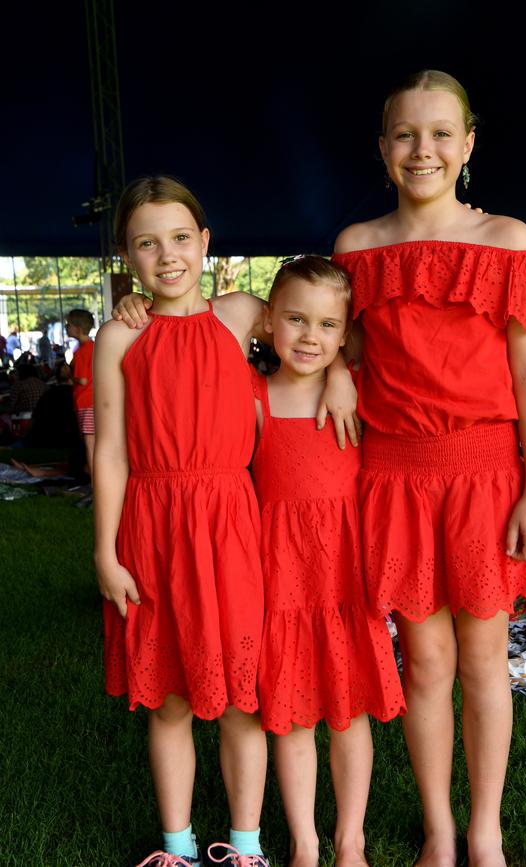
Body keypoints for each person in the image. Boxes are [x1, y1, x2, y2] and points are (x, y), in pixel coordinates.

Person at [331, 71, 526, 867]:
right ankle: (436, 828)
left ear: (467, 145)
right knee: (423, 658)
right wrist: (333, 368)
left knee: (482, 656)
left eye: (439, 134)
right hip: (392, 473)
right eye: (404, 134)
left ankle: (485, 829)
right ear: (383, 149)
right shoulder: (357, 247)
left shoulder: (508, 240)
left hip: (485, 473)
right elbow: (339, 341)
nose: (421, 149)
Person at [97, 176, 356, 867]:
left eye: (181, 237)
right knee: (170, 696)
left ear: (205, 242)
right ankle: (176, 846)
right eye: (147, 243)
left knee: (244, 690)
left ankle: (245, 844)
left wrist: (344, 374)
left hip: (229, 521)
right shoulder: (119, 338)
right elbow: (112, 449)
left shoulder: (240, 313)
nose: (168, 254)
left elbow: (317, 323)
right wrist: (105, 550)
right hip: (151, 523)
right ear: (127, 255)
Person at [251, 256, 405, 867]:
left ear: (345, 333)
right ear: (268, 322)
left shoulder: (359, 395)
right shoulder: (251, 396)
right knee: (289, 718)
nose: (309, 336)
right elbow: (211, 315)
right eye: (294, 319)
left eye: (325, 325)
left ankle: (350, 839)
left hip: (345, 577)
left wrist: (342, 370)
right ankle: (305, 843)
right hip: (279, 579)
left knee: (346, 713)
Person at [66, 309, 96, 482]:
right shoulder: (94, 347)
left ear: (77, 329)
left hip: (86, 401)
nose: (66, 328)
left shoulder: (82, 351)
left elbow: (83, 380)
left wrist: (70, 375)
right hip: (95, 401)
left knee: (90, 445)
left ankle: (94, 484)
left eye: (68, 325)